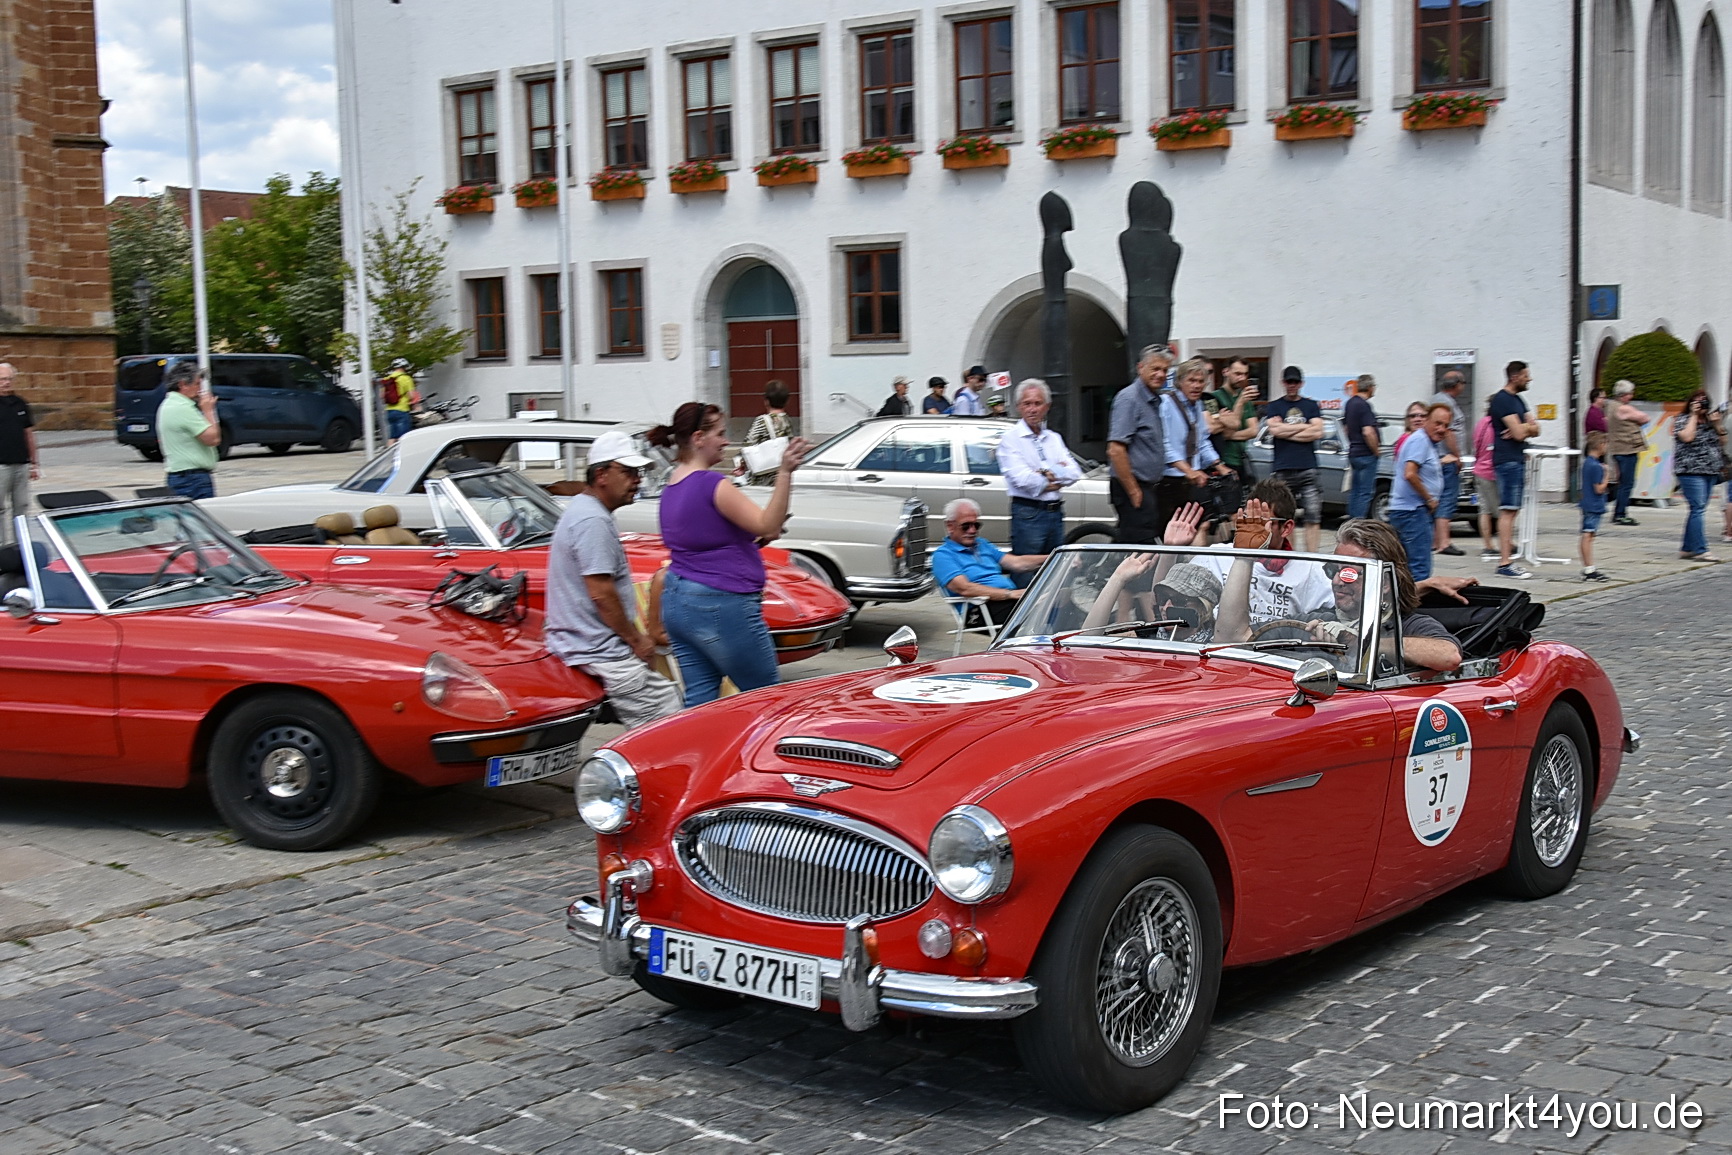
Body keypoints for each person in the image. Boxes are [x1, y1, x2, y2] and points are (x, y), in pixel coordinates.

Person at [647, 402, 809, 706]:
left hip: (679, 601)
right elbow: (768, 523)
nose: (725, 441)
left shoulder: (672, 485)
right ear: (698, 438)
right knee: (764, 699)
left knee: (701, 702)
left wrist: (758, 537)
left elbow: (711, 539)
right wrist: (785, 472)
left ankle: (695, 753)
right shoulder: (711, 483)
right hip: (721, 604)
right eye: (720, 434)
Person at [545, 429, 681, 728]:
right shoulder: (592, 519)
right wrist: (637, 641)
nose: (637, 480)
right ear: (602, 475)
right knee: (668, 719)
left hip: (584, 645)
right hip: (599, 651)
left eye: (639, 472)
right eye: (628, 472)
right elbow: (601, 593)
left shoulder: (586, 511)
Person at [1302, 518, 1464, 673]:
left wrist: (1359, 642)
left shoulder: (1409, 624)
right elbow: (1277, 628)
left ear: (1385, 583)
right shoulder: (1320, 618)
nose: (1337, 581)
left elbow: (1449, 655)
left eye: (1348, 573)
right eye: (1332, 570)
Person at [1182, 478, 1334, 623]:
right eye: (1247, 519)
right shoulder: (1216, 556)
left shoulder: (1310, 570)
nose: (1251, 528)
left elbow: (1344, 610)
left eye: (1261, 522)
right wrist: (1173, 548)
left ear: (1286, 528)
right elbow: (1171, 597)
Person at [996, 379, 1083, 576]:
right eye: (1027, 404)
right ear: (1019, 407)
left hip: (1055, 512)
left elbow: (1074, 473)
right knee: (1026, 573)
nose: (1032, 409)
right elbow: (1023, 479)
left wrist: (1043, 474)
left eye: (1037, 403)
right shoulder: (1011, 439)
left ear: (1047, 406)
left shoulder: (1053, 438)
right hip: (1028, 513)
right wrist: (1053, 475)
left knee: (1054, 572)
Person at [930, 498, 1047, 625]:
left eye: (976, 525)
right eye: (966, 526)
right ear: (950, 526)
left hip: (1006, 602)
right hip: (979, 608)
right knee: (1041, 610)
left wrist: (1055, 557)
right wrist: (1010, 594)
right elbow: (965, 589)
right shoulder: (943, 555)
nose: (972, 530)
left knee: (1062, 597)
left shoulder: (982, 544)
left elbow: (1017, 562)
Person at [1158, 358, 1233, 536]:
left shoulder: (1197, 406)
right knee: (1168, 533)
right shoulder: (1166, 404)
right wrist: (1188, 470)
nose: (1197, 386)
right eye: (1191, 381)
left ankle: (1190, 562)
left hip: (1193, 480)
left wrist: (1219, 465)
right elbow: (1164, 445)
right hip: (1170, 480)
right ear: (1180, 382)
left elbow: (1202, 441)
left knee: (1199, 527)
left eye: (1200, 381)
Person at [1107, 344, 1173, 543]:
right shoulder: (1130, 399)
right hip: (1133, 485)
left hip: (1147, 486)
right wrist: (1134, 491)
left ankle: (1097, 570)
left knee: (1127, 542)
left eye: (1164, 370)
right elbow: (1116, 450)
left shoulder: (1154, 400)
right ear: (1140, 367)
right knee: (1140, 548)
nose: (1160, 374)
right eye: (1155, 369)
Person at [1262, 365, 1325, 552]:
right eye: (1289, 382)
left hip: (1308, 468)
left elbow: (1318, 431)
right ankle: (1291, 557)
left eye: (1295, 382)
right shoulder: (1275, 406)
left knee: (1313, 517)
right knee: (1286, 518)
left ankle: (1313, 558)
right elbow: (1274, 430)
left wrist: (1286, 431)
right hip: (1283, 468)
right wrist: (1304, 427)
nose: (1292, 385)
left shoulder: (1311, 406)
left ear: (1301, 383)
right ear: (1283, 383)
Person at [1489, 360, 1541, 578]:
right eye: (1526, 375)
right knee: (1508, 510)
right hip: (1507, 460)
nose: (1529, 379)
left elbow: (1535, 429)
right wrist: (1523, 429)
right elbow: (1519, 434)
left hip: (1517, 459)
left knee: (1513, 510)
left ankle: (1506, 559)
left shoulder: (1518, 400)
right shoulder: (1502, 400)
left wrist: (1525, 428)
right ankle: (1504, 562)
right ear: (1514, 376)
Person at [1389, 403, 1449, 581]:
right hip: (1412, 511)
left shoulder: (1425, 441)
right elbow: (1410, 474)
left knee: (1406, 565)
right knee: (1419, 568)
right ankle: (1415, 606)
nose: (1441, 429)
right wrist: (1429, 499)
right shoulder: (1420, 440)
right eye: (1437, 423)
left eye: (1446, 425)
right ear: (1427, 421)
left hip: (1409, 511)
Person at [1672, 389, 1725, 562]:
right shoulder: (1682, 419)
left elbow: (1723, 441)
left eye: (1704, 401)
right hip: (1690, 470)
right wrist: (1693, 415)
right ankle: (1701, 550)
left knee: (1697, 509)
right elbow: (1687, 437)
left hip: (1710, 470)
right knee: (1697, 509)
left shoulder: (1710, 421)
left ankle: (1687, 549)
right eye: (1697, 401)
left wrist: (1717, 425)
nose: (1701, 404)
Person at [155, 362, 220, 499]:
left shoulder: (168, 404)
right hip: (192, 478)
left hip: (181, 476)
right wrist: (209, 411)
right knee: (201, 518)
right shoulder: (182, 408)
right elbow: (212, 439)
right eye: (197, 384)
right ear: (183, 384)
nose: (200, 389)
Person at [1204, 357, 1260, 487]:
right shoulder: (1214, 398)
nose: (1242, 378)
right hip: (1223, 460)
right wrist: (1239, 403)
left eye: (1245, 374)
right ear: (1225, 372)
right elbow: (1215, 429)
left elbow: (1253, 430)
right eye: (1237, 374)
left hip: (1242, 459)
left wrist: (1229, 434)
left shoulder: (1245, 398)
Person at [0, 363, 38, 544]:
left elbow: (28, 434)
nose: (6, 383)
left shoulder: (20, 403)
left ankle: (20, 548)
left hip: (21, 463)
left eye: (9, 379)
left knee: (21, 507)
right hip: (1, 465)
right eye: (2, 379)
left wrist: (34, 463)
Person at [1429, 371, 1466, 556]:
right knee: (1447, 499)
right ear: (1457, 384)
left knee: (1441, 498)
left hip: (1440, 458)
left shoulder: (1439, 399)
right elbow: (1449, 432)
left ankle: (1436, 541)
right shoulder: (1446, 403)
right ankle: (1443, 542)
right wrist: (1457, 456)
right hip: (1446, 458)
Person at [1606, 378, 1648, 525]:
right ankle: (1620, 514)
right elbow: (1644, 418)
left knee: (1622, 482)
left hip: (1617, 448)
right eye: (1630, 393)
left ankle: (1619, 511)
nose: (1632, 396)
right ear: (1624, 394)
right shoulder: (1624, 408)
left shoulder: (1611, 406)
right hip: (1627, 449)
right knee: (1627, 483)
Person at [742, 380, 795, 486]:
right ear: (786, 401)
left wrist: (741, 463)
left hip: (764, 476)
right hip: (782, 475)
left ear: (766, 401)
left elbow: (748, 444)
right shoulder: (787, 420)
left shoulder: (762, 421)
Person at [1342, 374, 1380, 520]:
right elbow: (1368, 431)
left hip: (1354, 452)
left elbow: (1346, 428)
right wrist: (1376, 451)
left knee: (1355, 491)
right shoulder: (1364, 406)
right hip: (1366, 453)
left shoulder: (1350, 403)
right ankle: (1358, 524)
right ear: (1370, 387)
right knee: (1365, 492)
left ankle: (1351, 521)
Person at [1578, 431, 1610, 581]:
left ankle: (1589, 566)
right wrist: (1607, 476)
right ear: (1600, 445)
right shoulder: (1597, 466)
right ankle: (1589, 568)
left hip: (1587, 502)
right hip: (1594, 504)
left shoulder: (1587, 463)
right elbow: (1599, 488)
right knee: (1588, 535)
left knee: (1588, 535)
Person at [1471, 399, 1500, 558]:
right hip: (1491, 471)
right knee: (1501, 511)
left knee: (1484, 510)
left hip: (1479, 468)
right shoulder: (1497, 425)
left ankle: (1487, 543)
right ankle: (1505, 543)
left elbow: (1476, 444)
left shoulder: (1482, 423)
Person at [382, 358, 417, 444]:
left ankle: (389, 455)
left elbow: (382, 396)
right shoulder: (406, 378)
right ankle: (402, 456)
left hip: (389, 411)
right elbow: (412, 396)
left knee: (392, 436)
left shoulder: (388, 379)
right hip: (402, 410)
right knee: (403, 438)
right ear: (404, 367)